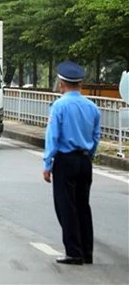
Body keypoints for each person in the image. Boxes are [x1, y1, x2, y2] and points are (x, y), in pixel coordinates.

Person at [43, 61, 101, 265]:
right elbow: (96, 137)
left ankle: (73, 251)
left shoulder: (59, 106)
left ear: (61, 83)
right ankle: (87, 252)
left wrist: (47, 163)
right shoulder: (92, 107)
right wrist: (88, 156)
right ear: (80, 84)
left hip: (65, 161)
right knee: (83, 206)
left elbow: (53, 137)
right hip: (85, 160)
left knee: (66, 207)